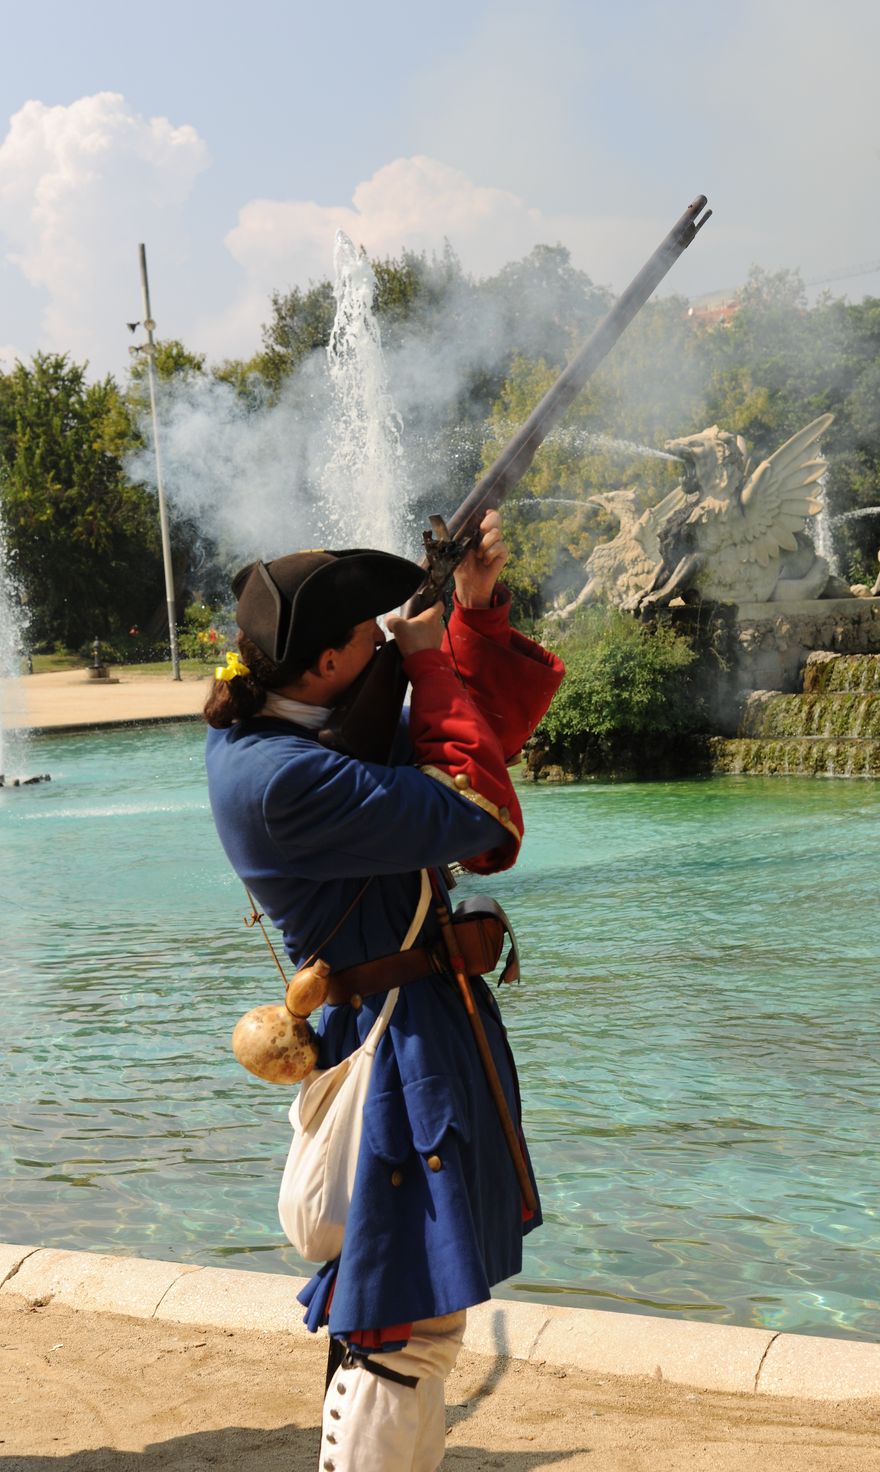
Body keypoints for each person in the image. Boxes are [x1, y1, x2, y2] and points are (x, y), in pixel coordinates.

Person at [203, 511, 563, 1472]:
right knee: (403, 1327)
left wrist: (470, 619)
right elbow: (474, 812)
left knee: (408, 1321)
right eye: (369, 638)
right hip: (392, 1042)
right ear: (326, 664)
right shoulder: (280, 780)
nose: (384, 642)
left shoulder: (304, 734)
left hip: (415, 1029)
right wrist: (427, 658)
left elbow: (484, 739)